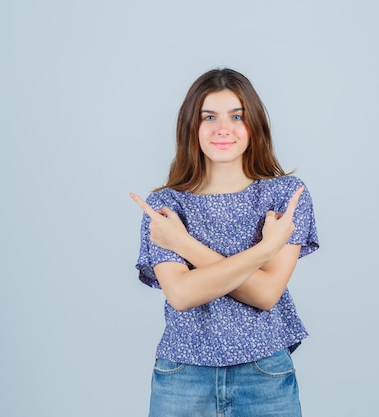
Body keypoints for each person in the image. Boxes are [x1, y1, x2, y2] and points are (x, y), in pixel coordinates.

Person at [130, 68, 319, 417]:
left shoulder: (285, 196)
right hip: (183, 376)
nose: (223, 128)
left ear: (254, 125)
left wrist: (183, 244)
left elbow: (266, 294)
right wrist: (264, 250)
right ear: (191, 126)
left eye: (237, 116)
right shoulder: (165, 207)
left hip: (264, 374)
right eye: (209, 117)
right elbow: (182, 294)